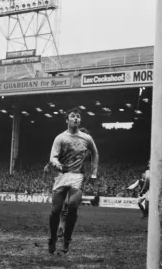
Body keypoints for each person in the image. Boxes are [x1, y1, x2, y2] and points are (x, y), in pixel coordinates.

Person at [47, 107, 99, 254]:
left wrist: (94, 173)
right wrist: (57, 165)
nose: (75, 118)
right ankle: (52, 239)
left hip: (77, 176)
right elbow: (53, 157)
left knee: (72, 205)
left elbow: (95, 153)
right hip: (62, 176)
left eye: (78, 116)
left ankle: (66, 241)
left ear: (80, 120)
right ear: (66, 120)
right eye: (72, 116)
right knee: (56, 210)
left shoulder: (87, 138)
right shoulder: (60, 138)